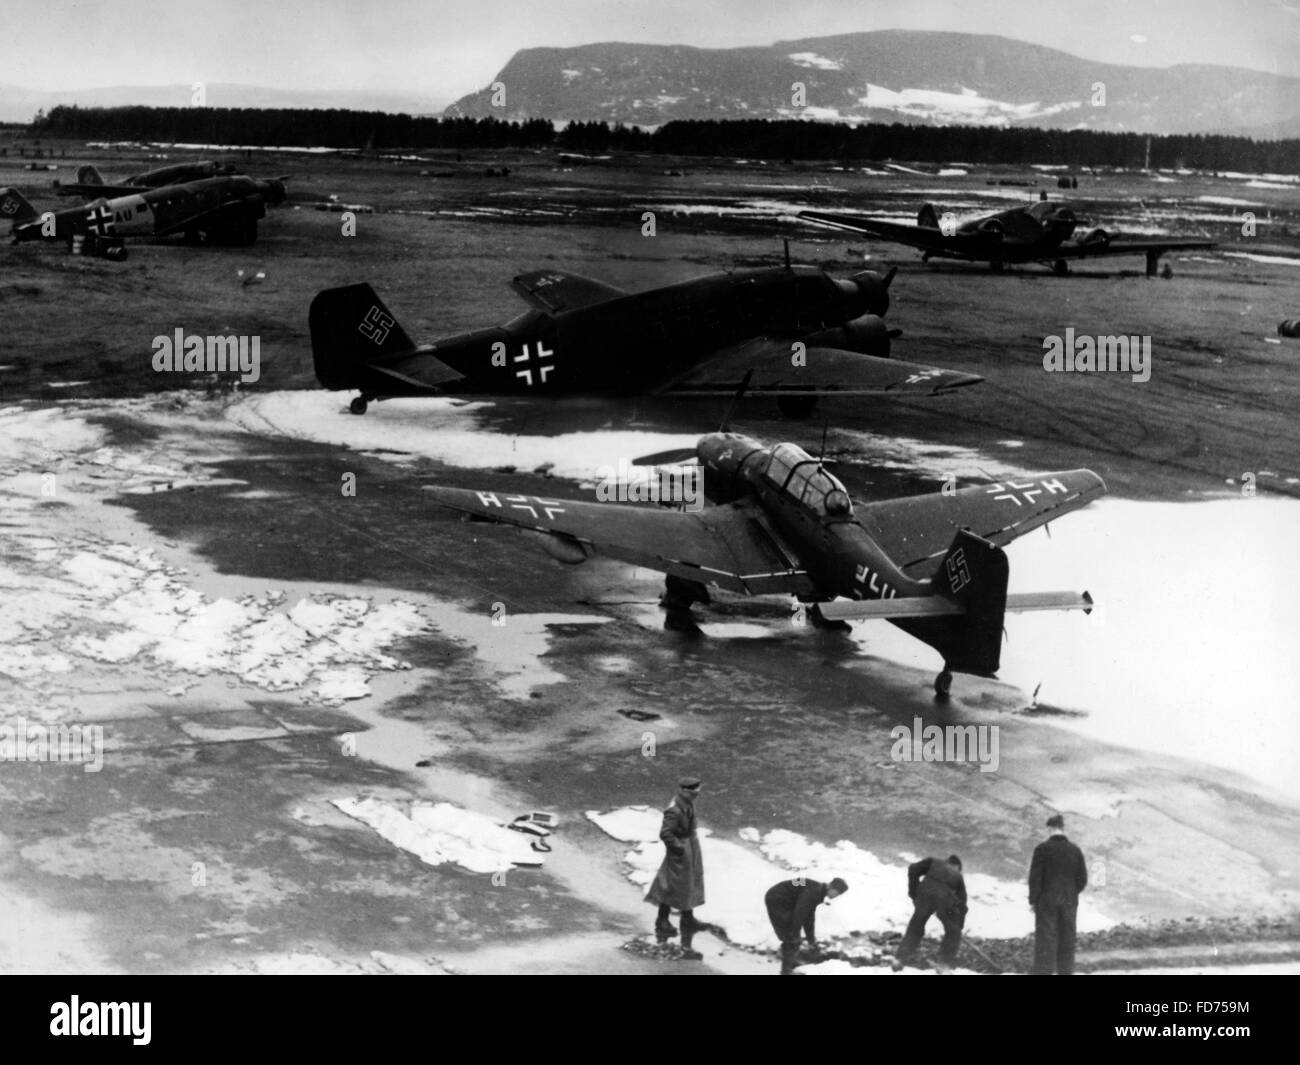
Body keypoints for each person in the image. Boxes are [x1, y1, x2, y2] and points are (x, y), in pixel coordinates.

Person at [645, 776, 705, 959]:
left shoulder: (686, 803)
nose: (697, 792)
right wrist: (679, 849)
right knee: (671, 885)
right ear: (686, 790)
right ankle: (662, 920)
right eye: (694, 789)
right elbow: (666, 834)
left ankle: (688, 919)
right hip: (681, 850)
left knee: (691, 883)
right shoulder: (674, 809)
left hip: (690, 846)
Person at [1029, 814, 1087, 974]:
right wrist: (1070, 894)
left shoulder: (1042, 849)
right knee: (1067, 939)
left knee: (1045, 940)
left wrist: (1034, 901)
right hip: (1069, 902)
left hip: (1046, 902)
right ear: (1062, 828)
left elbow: (1035, 878)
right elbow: (1082, 879)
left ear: (1049, 829)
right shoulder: (1075, 850)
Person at [891, 854, 967, 970]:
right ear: (957, 866)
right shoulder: (958, 876)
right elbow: (962, 905)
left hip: (925, 894)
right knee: (953, 932)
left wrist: (914, 892)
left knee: (916, 926)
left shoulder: (933, 861)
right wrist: (958, 926)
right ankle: (943, 964)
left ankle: (900, 959)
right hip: (945, 899)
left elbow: (913, 869)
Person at [764, 876, 848, 975]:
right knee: (791, 937)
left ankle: (788, 960)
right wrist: (795, 934)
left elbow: (809, 917)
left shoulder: (817, 890)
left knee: (792, 937)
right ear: (831, 887)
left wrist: (811, 940)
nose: (836, 896)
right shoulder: (814, 893)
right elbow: (799, 915)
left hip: (784, 899)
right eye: (837, 893)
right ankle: (786, 970)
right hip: (777, 900)